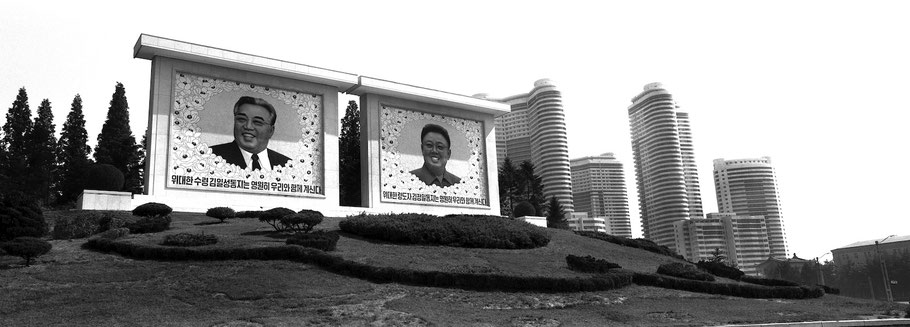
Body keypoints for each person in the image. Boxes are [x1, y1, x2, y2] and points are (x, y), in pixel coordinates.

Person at [210, 96, 290, 170]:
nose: (248, 126)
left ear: (271, 131)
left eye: (257, 122)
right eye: (241, 119)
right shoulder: (210, 157)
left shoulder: (287, 165)